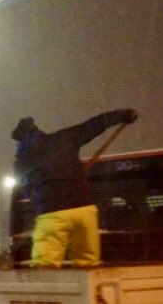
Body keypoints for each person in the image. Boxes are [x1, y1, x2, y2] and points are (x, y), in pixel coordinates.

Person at [12, 108, 138, 267]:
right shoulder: (63, 138)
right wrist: (123, 115)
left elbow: (27, 190)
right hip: (84, 209)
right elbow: (94, 125)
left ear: (21, 140)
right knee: (88, 262)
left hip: (52, 213)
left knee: (44, 266)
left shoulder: (21, 161)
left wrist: (44, 198)